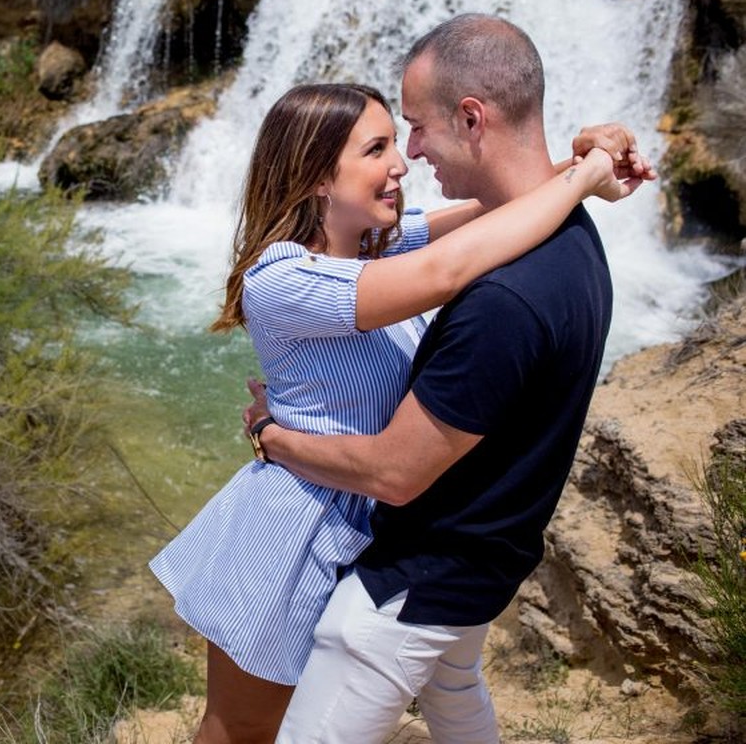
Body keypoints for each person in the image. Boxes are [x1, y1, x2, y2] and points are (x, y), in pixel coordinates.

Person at [149, 78, 649, 742]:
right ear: (317, 175)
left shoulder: (376, 243)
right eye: (377, 148)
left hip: (368, 521)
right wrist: (585, 175)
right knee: (242, 730)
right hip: (293, 537)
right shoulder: (284, 279)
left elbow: (501, 207)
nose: (401, 162)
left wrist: (596, 156)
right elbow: (448, 272)